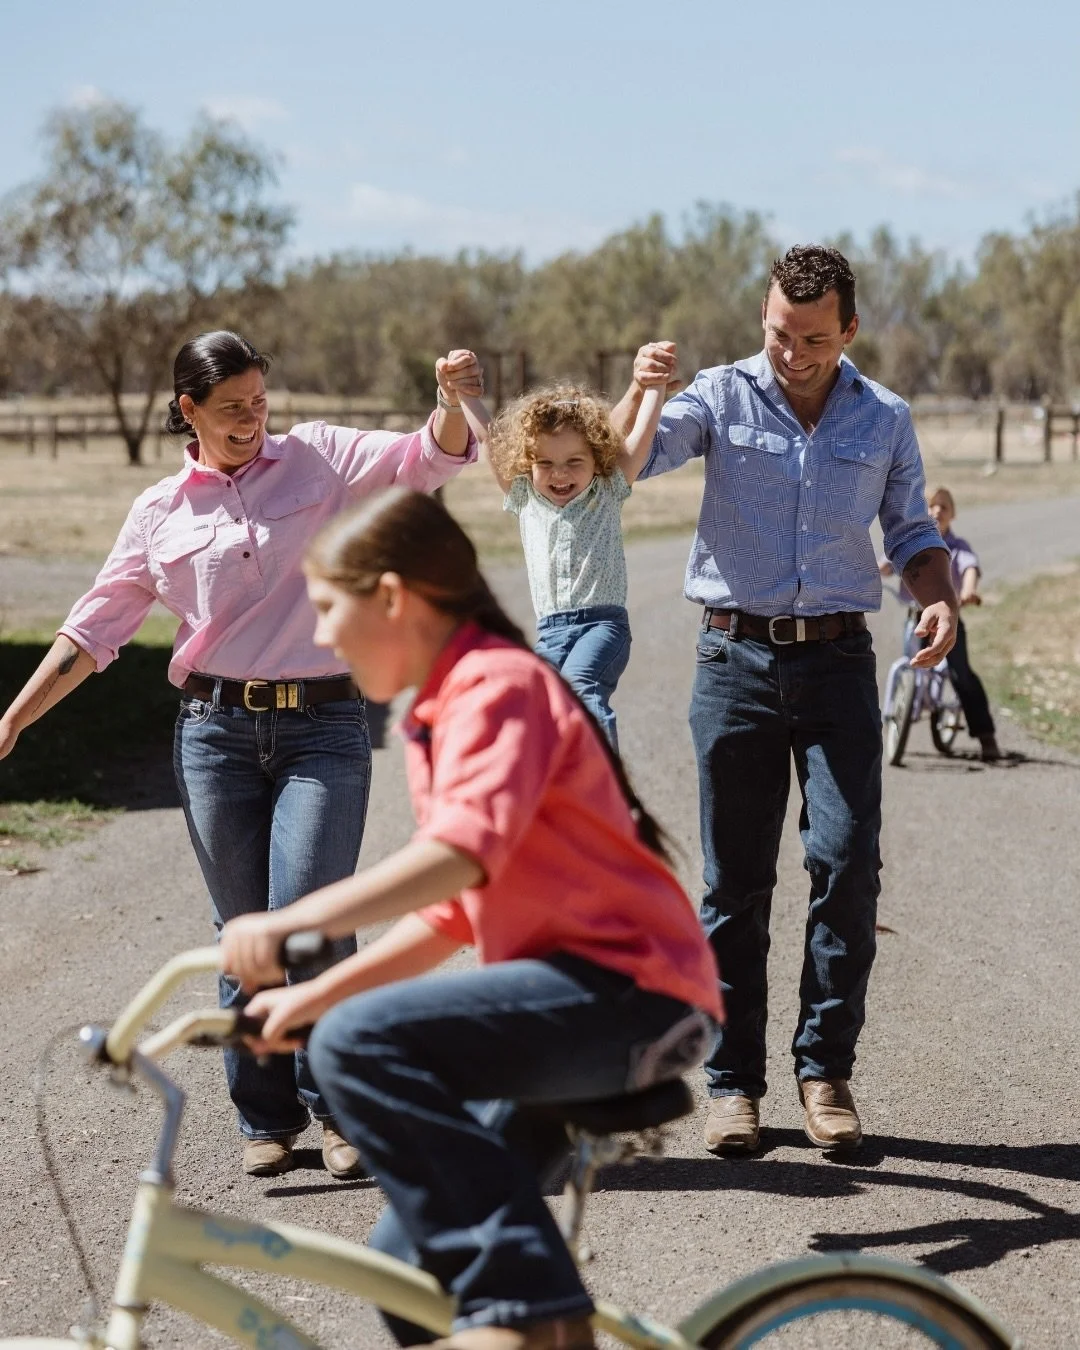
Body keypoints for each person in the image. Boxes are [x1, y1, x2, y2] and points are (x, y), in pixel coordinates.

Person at [219, 486, 722, 1350]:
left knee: (359, 1044)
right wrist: (314, 994)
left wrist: (290, 923)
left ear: (392, 597)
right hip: (580, 999)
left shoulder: (498, 683)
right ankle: (536, 1319)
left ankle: (527, 1315)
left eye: (331, 609)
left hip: (634, 994)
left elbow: (463, 853)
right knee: (411, 1277)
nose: (324, 636)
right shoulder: (434, 713)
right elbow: (456, 910)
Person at [0, 331, 480, 1179]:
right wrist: (15, 719)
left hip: (326, 728)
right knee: (242, 930)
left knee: (313, 915)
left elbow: (424, 461)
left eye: (259, 402)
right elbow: (93, 627)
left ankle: (337, 1109)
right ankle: (267, 1116)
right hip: (213, 735)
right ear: (187, 410)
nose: (252, 420)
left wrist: (446, 403)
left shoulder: (321, 458)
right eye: (231, 409)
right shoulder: (158, 511)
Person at [611, 245, 958, 1155]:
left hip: (840, 665)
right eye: (777, 332)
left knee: (846, 866)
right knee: (734, 884)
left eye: (811, 337)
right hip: (735, 665)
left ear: (848, 329)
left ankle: (824, 1071)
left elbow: (913, 530)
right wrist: (643, 388)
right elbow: (623, 464)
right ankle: (734, 1085)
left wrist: (938, 599)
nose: (791, 353)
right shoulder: (721, 395)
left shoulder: (884, 417)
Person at [458, 374, 668, 747]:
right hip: (550, 632)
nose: (560, 473)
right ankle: (554, 795)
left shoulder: (608, 489)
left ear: (597, 457)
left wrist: (655, 387)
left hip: (603, 626)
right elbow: (491, 440)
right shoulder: (524, 498)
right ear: (527, 462)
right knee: (536, 710)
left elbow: (641, 439)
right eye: (546, 462)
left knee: (580, 688)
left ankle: (607, 792)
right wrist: (463, 393)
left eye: (574, 461)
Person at [880, 486, 1001, 761]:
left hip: (948, 623)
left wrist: (968, 591)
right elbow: (887, 564)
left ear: (953, 514)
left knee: (961, 675)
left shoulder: (958, 548)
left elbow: (970, 568)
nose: (937, 511)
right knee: (907, 662)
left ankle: (986, 736)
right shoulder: (911, 543)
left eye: (944, 507)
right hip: (916, 619)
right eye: (932, 506)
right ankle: (894, 714)